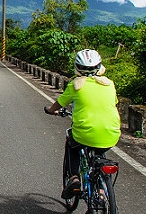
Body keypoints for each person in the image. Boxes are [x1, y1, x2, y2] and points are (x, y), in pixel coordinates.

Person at [44, 48, 121, 199]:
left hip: (83, 134)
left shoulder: (75, 86)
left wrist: (50, 110)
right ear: (99, 67)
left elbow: (58, 104)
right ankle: (101, 192)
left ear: (77, 68)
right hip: (111, 133)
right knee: (100, 153)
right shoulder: (110, 84)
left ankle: (73, 177)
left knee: (72, 144)